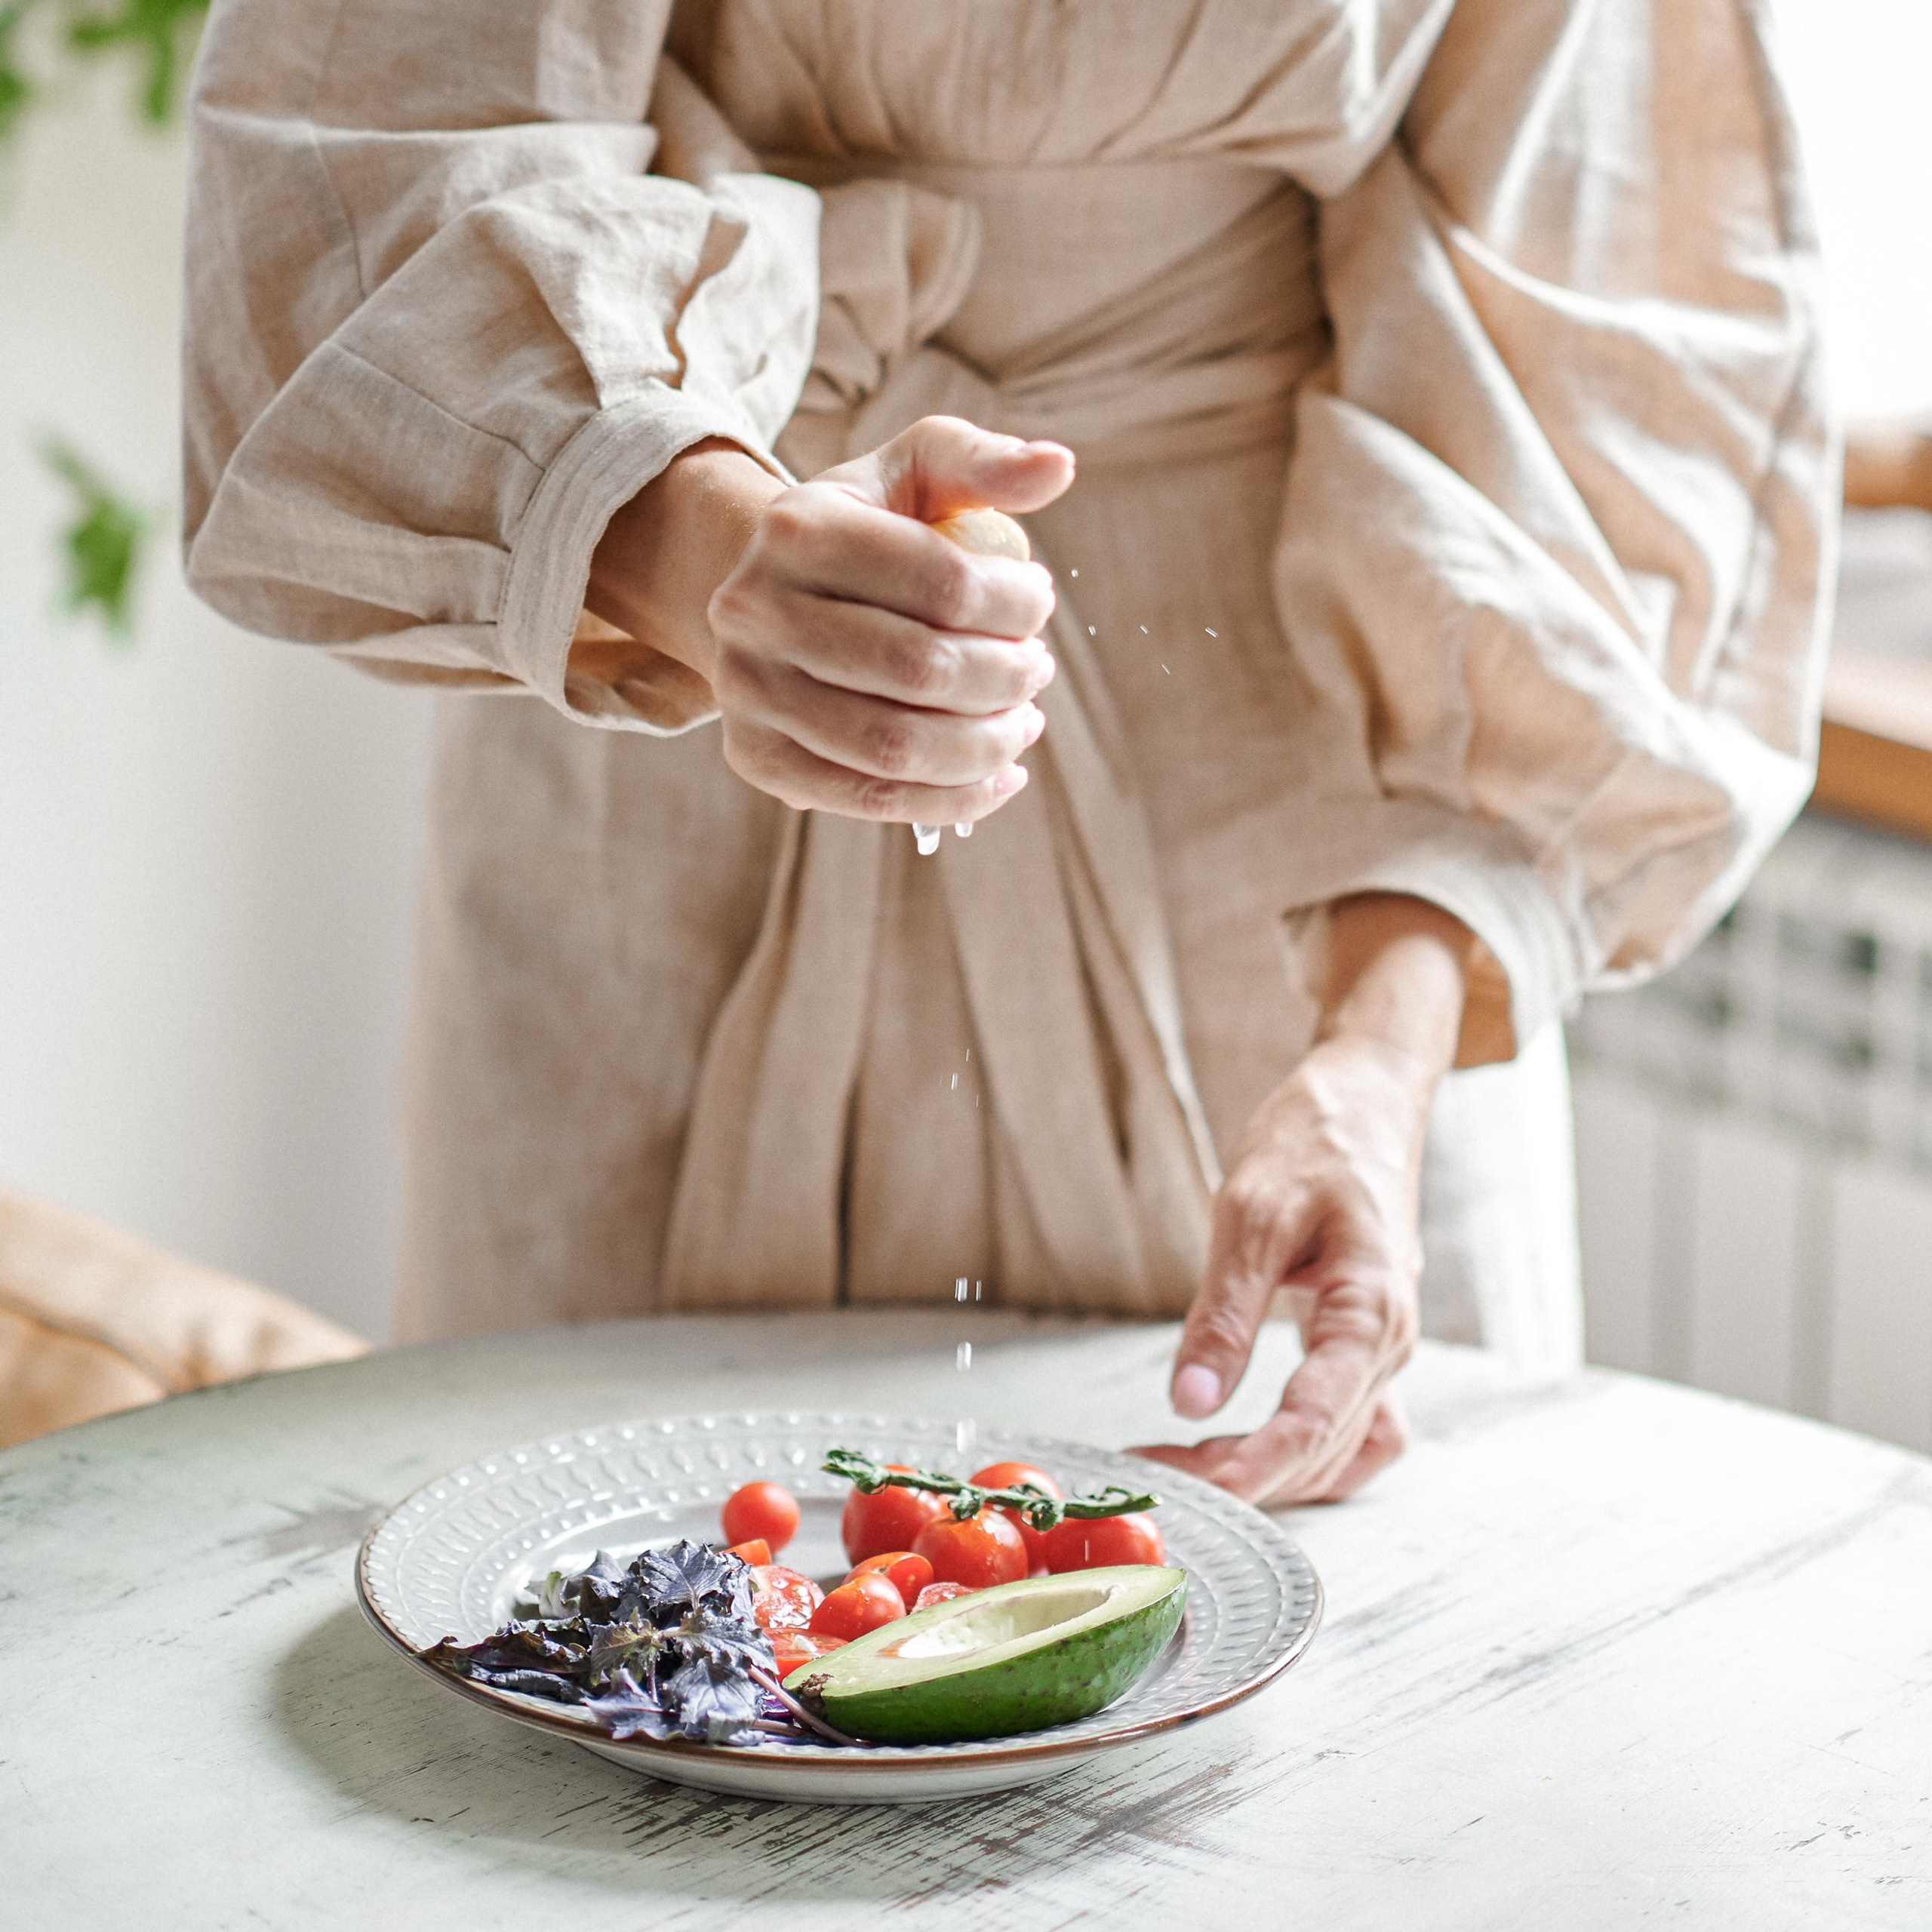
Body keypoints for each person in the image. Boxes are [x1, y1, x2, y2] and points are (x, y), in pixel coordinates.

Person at [179, 1, 1834, 1507]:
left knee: (1358, 1727)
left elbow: (1619, 324)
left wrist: (1379, 1054)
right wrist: (698, 550)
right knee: (588, 1660)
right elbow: (354, 175)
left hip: (1319, 879)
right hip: (667, 785)